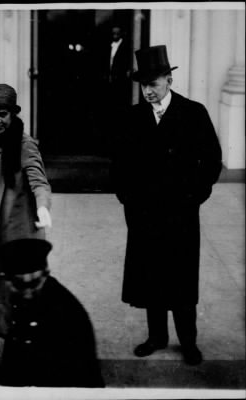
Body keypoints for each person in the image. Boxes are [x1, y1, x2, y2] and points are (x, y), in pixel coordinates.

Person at [111, 45, 222, 365]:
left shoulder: (193, 113)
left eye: (154, 84)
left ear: (169, 80)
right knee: (150, 277)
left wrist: (193, 197)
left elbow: (212, 160)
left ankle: (189, 342)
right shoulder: (132, 118)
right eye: (143, 85)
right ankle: (157, 337)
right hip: (144, 214)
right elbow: (118, 165)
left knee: (182, 280)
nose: (148, 91)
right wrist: (127, 200)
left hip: (181, 214)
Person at [0, 83, 52, 337]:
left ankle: (20, 359)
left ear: (13, 114)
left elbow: (39, 181)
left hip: (20, 235)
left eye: (3, 114)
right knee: (3, 292)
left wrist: (43, 208)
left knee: (21, 300)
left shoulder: (24, 143)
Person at [0, 238, 105, 387]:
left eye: (34, 284)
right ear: (6, 280)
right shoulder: (20, 298)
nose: (27, 293)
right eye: (20, 284)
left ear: (46, 274)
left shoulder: (64, 313)